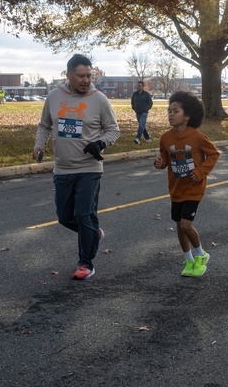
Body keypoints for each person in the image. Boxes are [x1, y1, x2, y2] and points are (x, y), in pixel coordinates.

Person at [34, 54, 120, 280]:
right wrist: (39, 145)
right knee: (64, 217)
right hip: (62, 168)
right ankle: (93, 233)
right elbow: (44, 125)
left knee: (84, 214)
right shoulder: (53, 97)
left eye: (89, 76)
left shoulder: (99, 99)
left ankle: (86, 263)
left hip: (89, 168)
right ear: (68, 75)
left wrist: (100, 143)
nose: (86, 80)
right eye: (81, 76)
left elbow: (113, 130)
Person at [153, 91, 220, 277]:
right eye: (169, 111)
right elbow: (165, 159)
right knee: (178, 225)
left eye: (175, 111)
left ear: (188, 115)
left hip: (194, 187)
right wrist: (160, 163)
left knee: (185, 225)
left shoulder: (197, 137)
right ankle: (189, 260)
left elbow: (214, 154)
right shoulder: (165, 138)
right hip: (176, 188)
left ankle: (201, 254)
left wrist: (200, 172)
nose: (170, 114)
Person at [130, 80, 153, 145]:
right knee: (142, 125)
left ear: (143, 87)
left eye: (139, 86)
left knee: (141, 125)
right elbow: (132, 102)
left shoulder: (146, 94)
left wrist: (146, 109)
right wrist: (133, 107)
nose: (138, 87)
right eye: (137, 86)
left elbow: (150, 103)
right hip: (138, 112)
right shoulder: (135, 94)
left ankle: (138, 138)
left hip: (144, 112)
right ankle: (147, 138)